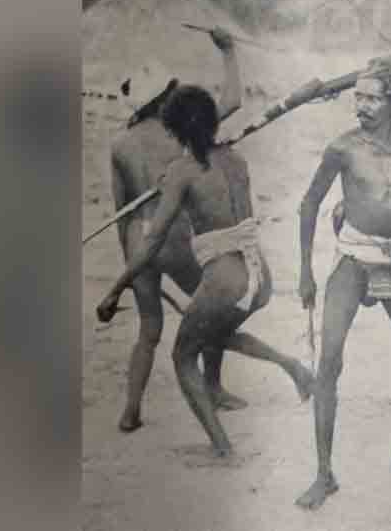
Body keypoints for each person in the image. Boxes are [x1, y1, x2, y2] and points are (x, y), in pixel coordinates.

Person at [104, 28, 314, 433]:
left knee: (150, 329)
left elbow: (120, 211)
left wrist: (127, 271)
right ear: (163, 97)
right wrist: (229, 51)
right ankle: (218, 384)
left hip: (139, 238)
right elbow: (234, 101)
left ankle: (131, 410)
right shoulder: (184, 128)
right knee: (211, 320)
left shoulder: (120, 144)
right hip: (178, 235)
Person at [294, 0, 391, 510]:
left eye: (373, 98)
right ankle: (324, 473)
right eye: (357, 97)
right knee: (329, 363)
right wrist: (305, 274)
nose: (361, 106)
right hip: (354, 262)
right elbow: (309, 204)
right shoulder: (342, 147)